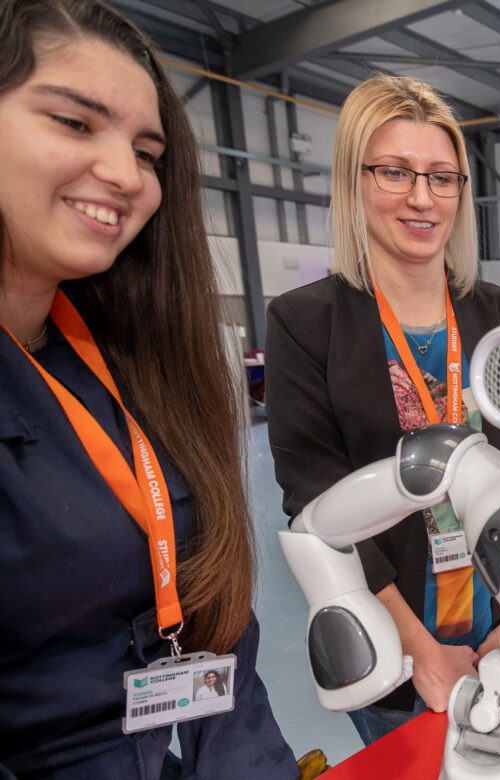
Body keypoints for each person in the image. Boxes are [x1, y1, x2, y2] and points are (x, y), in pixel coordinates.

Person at [0, 1, 296, 777]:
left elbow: (216, 630)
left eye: (147, 150)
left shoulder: (127, 360)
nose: (126, 175)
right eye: (73, 122)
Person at [265, 75, 500, 744]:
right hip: (394, 637)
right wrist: (417, 648)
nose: (422, 198)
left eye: (442, 177)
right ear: (354, 180)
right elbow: (312, 495)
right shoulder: (305, 323)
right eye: (396, 172)